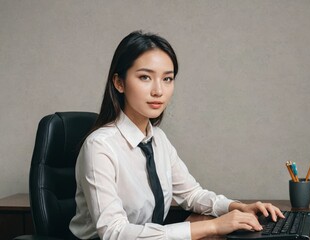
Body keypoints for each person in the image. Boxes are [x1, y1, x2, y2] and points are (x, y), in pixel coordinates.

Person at [69, 30, 284, 240]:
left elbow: (192, 195)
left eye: (167, 79)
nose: (158, 91)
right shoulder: (100, 146)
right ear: (119, 83)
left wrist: (238, 206)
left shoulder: (158, 139)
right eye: (145, 77)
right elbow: (113, 232)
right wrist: (213, 226)